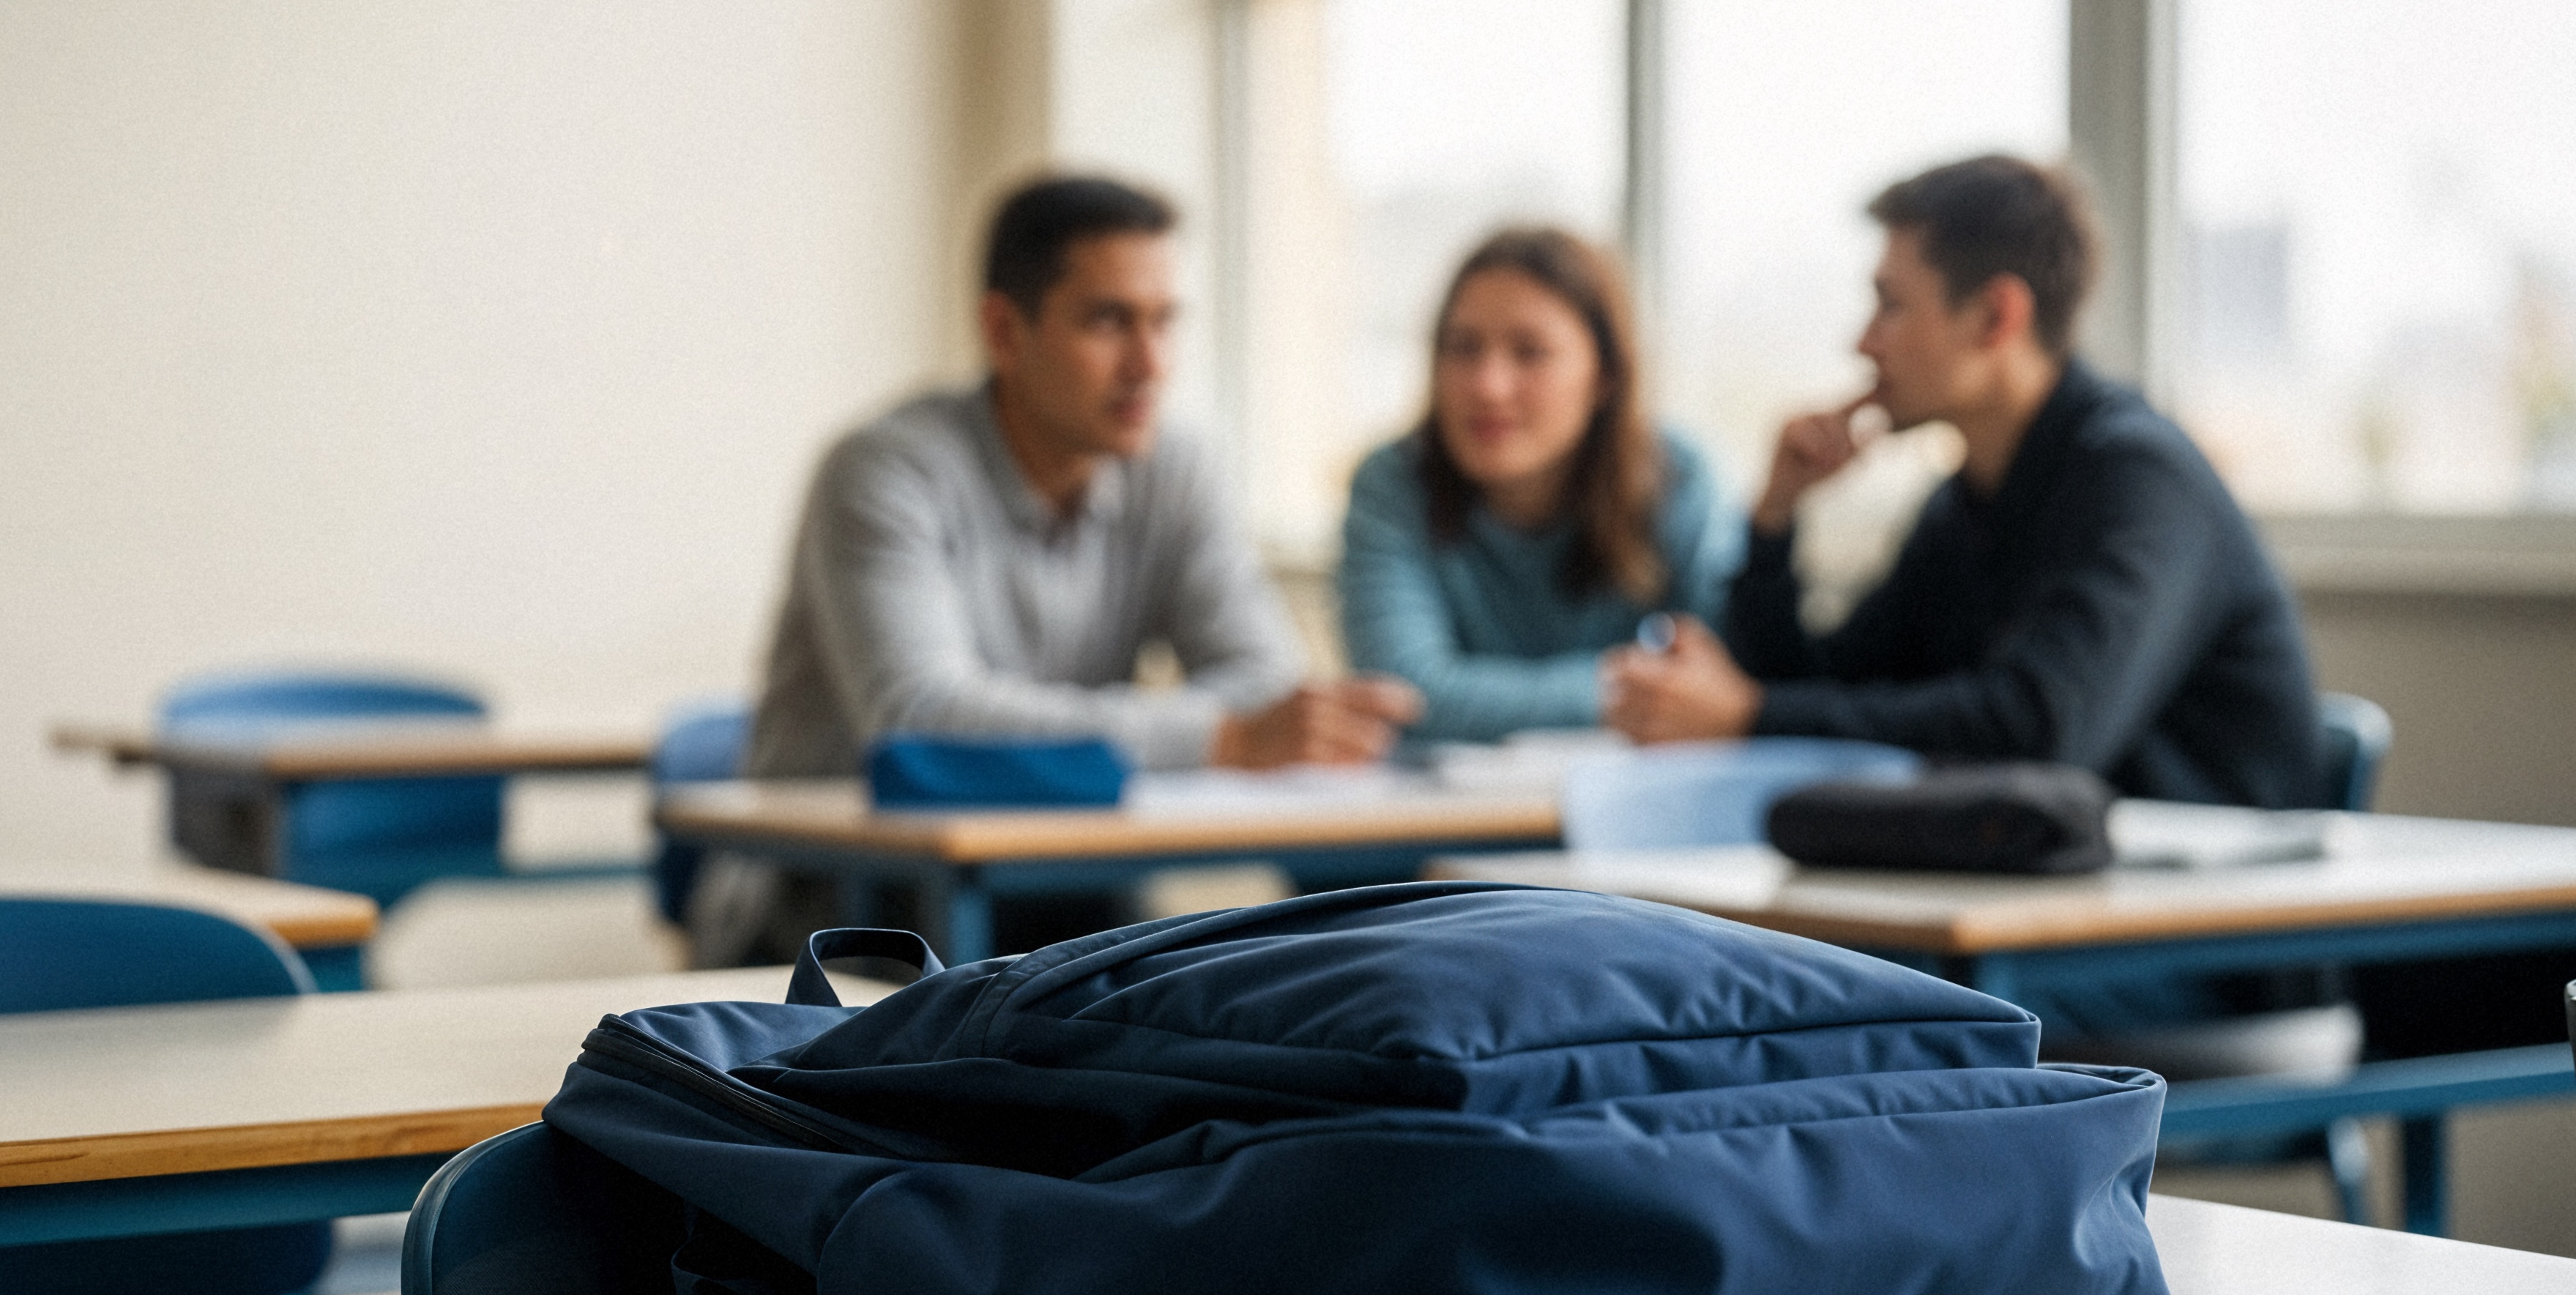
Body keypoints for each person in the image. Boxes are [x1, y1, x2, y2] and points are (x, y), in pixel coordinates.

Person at [697, 174, 1420, 963]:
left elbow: (1266, 687)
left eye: (1164, 322)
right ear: (1005, 331)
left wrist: (1234, 732)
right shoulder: (884, 471)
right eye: (1110, 322)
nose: (1149, 363)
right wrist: (1217, 737)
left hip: (1058, 888)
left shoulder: (1175, 469)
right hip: (835, 913)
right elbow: (921, 715)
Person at [1601, 155, 2322, 811]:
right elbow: (1840, 691)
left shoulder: (2141, 480)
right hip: (2038, 897)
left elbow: (2042, 729)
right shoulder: (1967, 500)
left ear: (1994, 316)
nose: (1862, 342)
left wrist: (1749, 716)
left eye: (1890, 305)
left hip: (2198, 929)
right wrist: (1775, 520)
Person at [1339, 228, 1738, 742]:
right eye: (1462, 348)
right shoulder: (1392, 483)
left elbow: (1719, 682)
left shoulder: (1679, 478)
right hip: (1448, 816)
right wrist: (1636, 687)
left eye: (1530, 352)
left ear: (1605, 376)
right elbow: (1404, 694)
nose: (1488, 385)